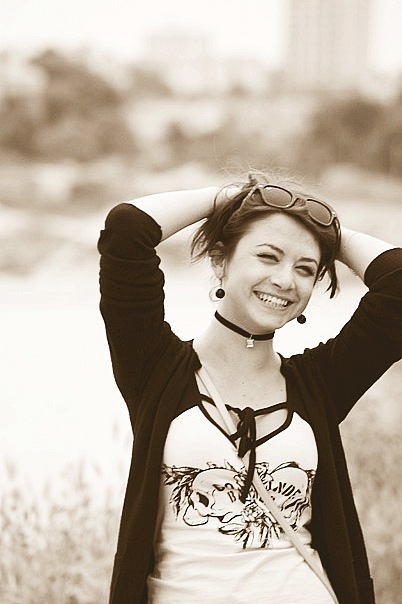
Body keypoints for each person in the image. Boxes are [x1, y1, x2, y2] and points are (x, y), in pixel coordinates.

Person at [98, 171, 402, 604]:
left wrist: (326, 229)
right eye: (267, 256)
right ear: (220, 261)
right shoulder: (154, 368)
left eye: (305, 269)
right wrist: (234, 198)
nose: (285, 280)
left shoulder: (321, 383)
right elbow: (127, 229)